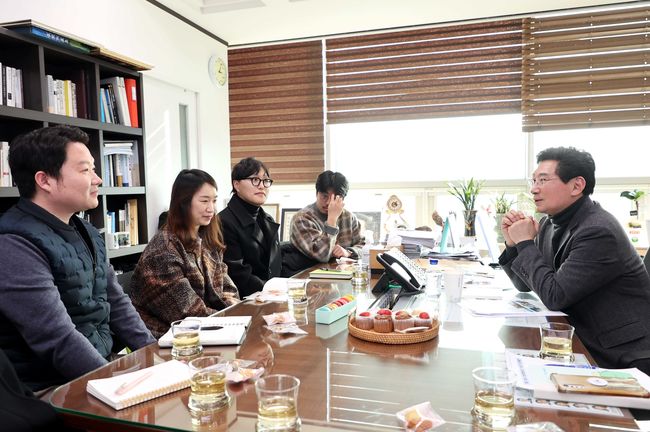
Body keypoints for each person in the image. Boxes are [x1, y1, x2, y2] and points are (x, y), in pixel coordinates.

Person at [0, 125, 155, 392]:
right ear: (45, 180)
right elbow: (57, 338)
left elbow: (117, 302)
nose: (97, 179)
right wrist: (116, 387)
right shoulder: (13, 244)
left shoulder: (86, 230)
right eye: (85, 170)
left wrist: (156, 355)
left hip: (97, 372)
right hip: (47, 390)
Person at [499, 146, 650, 372]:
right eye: (534, 180)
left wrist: (526, 242)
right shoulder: (550, 223)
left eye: (543, 180)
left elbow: (555, 296)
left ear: (577, 185)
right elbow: (525, 284)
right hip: (580, 337)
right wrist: (514, 244)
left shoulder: (598, 230)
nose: (534, 189)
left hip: (620, 355)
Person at [130, 169, 240, 338]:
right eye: (204, 201)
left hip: (207, 329)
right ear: (184, 202)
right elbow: (188, 314)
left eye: (214, 201)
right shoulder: (163, 251)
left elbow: (228, 288)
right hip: (168, 339)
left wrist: (234, 310)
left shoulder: (206, 239)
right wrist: (233, 318)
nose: (211, 208)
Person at [219, 157, 281, 298]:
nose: (262, 186)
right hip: (243, 300)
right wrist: (271, 290)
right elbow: (236, 273)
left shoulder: (267, 220)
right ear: (236, 184)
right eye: (255, 179)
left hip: (271, 296)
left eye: (266, 180)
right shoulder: (224, 222)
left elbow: (275, 265)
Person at [290, 170, 363, 263]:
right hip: (309, 271)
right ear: (316, 194)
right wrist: (332, 220)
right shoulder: (302, 219)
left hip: (341, 270)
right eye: (324, 196)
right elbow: (322, 256)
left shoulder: (349, 217)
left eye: (335, 198)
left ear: (343, 199)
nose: (329, 202)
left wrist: (348, 252)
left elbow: (364, 248)